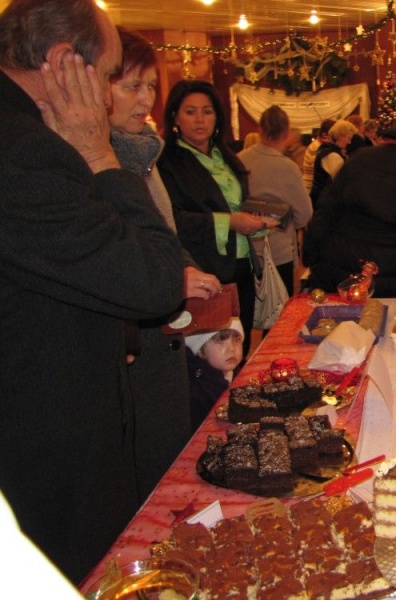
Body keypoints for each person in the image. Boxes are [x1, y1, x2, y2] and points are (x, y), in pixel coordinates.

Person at [0, 0, 184, 584]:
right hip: (46, 445)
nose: (106, 99)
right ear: (63, 63)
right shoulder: (25, 151)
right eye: (106, 76)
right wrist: (101, 156)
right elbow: (155, 281)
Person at [108, 27, 223, 500]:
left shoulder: (143, 155)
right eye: (131, 86)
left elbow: (165, 233)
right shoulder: (101, 161)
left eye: (151, 86)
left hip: (166, 337)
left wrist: (186, 266)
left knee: (170, 461)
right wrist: (175, 274)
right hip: (134, 347)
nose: (145, 99)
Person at [158, 80, 278, 357]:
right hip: (204, 267)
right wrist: (231, 222)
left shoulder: (224, 156)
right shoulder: (167, 162)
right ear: (175, 117)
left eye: (207, 111)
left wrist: (257, 223)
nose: (200, 120)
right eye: (190, 112)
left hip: (241, 264)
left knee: (239, 347)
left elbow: (237, 204)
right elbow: (173, 221)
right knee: (211, 355)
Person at [303, 107, 396, 296]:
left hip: (337, 268)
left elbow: (326, 210)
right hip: (390, 276)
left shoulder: (360, 158)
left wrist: (311, 256)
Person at [238, 105, 313, 296]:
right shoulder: (288, 167)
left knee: (249, 306)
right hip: (278, 250)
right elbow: (305, 214)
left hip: (245, 248)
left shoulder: (239, 160)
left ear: (260, 129)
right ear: (287, 133)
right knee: (279, 309)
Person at [185, 318, 244, 431]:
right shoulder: (198, 391)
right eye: (220, 341)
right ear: (201, 350)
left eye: (236, 340)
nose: (232, 349)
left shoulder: (236, 374)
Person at [309, 118, 358, 207]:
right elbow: (342, 182)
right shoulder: (333, 156)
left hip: (321, 199)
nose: (349, 142)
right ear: (340, 136)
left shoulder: (326, 150)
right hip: (325, 203)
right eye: (349, 138)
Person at [302, 118, 334, 192]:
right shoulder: (316, 148)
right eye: (333, 135)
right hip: (311, 188)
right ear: (324, 135)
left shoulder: (316, 145)